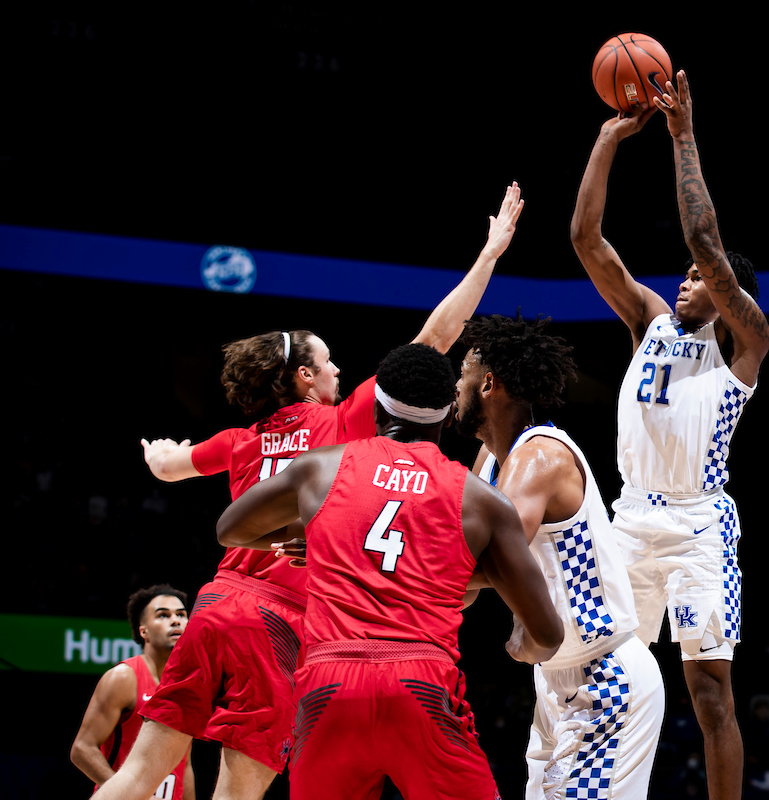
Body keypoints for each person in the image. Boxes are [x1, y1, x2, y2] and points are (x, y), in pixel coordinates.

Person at [104, 183, 524, 800]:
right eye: (329, 364)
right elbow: (435, 337)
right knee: (238, 792)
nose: (339, 371)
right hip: (278, 621)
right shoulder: (343, 423)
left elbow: (170, 468)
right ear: (305, 379)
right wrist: (487, 257)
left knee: (138, 774)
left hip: (217, 602)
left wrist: (155, 452)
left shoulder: (240, 440)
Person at [215, 342, 564, 800]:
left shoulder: (320, 467)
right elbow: (548, 635)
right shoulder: (480, 499)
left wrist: (318, 541)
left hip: (328, 687)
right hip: (422, 685)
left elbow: (230, 530)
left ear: (377, 407)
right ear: (444, 417)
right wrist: (520, 645)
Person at [569, 70, 769, 800]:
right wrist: (605, 141)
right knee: (603, 676)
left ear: (726, 295)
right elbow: (586, 240)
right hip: (629, 518)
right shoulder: (648, 322)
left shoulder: (743, 343)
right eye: (683, 274)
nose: (685, 279)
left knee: (709, 693)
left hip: (696, 526)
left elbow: (703, 237)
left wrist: (683, 136)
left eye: (700, 278)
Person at [455, 313, 665, 799]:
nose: (454, 391)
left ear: (488, 383)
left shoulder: (539, 457)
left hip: (605, 674)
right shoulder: (489, 462)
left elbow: (481, 563)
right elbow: (459, 583)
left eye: (461, 377)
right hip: (554, 680)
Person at [70, 585, 193, 799]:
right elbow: (82, 749)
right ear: (143, 630)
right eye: (163, 615)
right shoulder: (124, 678)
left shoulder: (189, 685)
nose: (176, 621)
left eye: (181, 615)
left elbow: (186, 764)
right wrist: (127, 795)